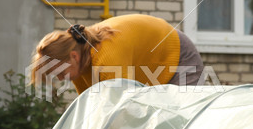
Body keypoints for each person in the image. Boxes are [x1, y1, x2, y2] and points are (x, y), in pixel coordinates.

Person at [31, 14, 204, 94]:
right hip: (151, 69)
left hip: (176, 53)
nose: (61, 79)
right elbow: (90, 109)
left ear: (73, 57)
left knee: (181, 122)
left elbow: (122, 112)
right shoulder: (79, 64)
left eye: (60, 72)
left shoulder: (106, 60)